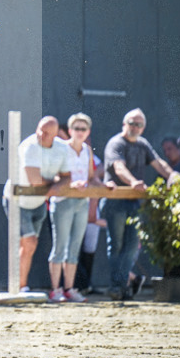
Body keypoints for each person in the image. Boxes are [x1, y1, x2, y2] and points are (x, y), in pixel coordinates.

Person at [101, 109, 177, 300]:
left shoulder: (143, 144)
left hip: (135, 203)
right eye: (132, 123)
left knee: (132, 246)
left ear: (144, 128)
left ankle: (121, 285)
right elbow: (119, 167)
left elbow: (158, 163)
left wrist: (175, 177)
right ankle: (117, 286)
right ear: (124, 123)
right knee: (116, 245)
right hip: (115, 201)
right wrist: (133, 182)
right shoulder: (116, 143)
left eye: (139, 124)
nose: (135, 127)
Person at [3, 115, 70, 294]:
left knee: (28, 247)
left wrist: (56, 184)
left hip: (38, 202)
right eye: (40, 129)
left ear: (56, 135)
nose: (41, 134)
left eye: (47, 132)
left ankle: (18, 285)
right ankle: (21, 286)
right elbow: (34, 180)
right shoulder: (29, 146)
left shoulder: (62, 149)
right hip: (17, 200)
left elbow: (68, 177)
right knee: (29, 242)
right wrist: (55, 183)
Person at [48, 113, 109, 302]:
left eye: (83, 129)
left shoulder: (87, 151)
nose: (80, 132)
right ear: (70, 131)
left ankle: (69, 288)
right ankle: (55, 290)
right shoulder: (60, 148)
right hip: (63, 201)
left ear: (88, 131)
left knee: (74, 248)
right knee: (59, 246)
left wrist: (104, 185)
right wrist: (68, 184)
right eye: (76, 128)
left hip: (82, 202)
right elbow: (53, 176)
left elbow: (91, 177)